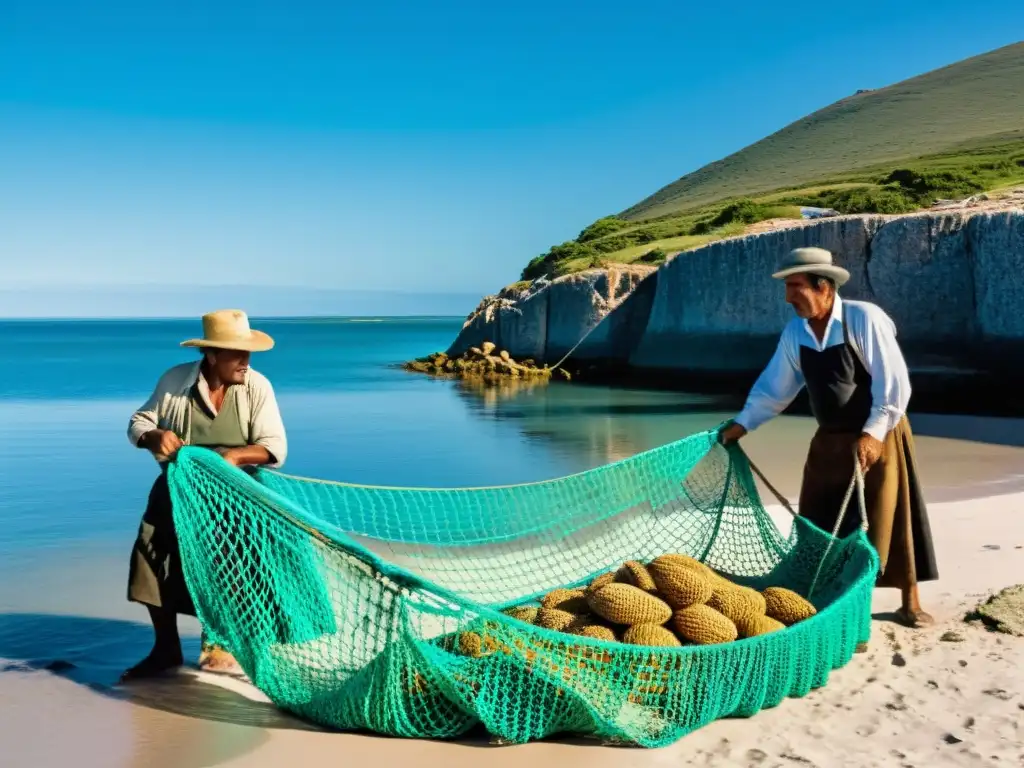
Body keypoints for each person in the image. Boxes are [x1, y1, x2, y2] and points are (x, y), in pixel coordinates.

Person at [719, 247, 938, 628]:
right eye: (787, 288)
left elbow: (893, 384)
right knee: (819, 521)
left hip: (879, 434)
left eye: (796, 287)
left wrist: (873, 434)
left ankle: (910, 602)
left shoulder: (862, 319)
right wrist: (741, 425)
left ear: (825, 287)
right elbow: (775, 389)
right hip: (829, 440)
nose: (788, 297)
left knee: (889, 519)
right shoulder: (795, 332)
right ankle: (831, 602)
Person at [122, 308, 287, 680]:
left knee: (235, 568)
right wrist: (153, 436)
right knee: (151, 559)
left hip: (237, 491)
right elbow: (138, 422)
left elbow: (275, 448)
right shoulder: (175, 380)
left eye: (248, 353)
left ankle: (225, 642)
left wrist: (233, 457)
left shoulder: (257, 386)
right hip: (179, 490)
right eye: (236, 353)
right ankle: (165, 650)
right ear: (211, 355)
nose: (245, 361)